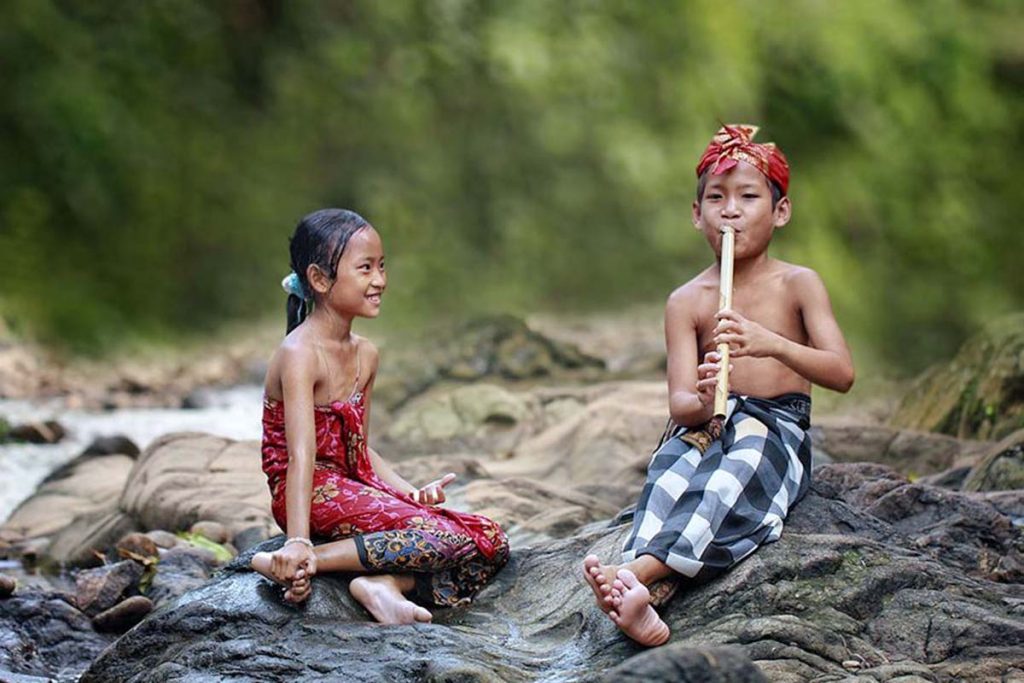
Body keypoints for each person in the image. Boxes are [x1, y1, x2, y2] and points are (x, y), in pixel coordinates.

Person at [582, 125, 854, 646]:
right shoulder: (686, 300)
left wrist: (769, 343)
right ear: (696, 213)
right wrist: (705, 400)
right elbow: (681, 404)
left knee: (734, 478)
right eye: (716, 198)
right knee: (667, 476)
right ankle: (645, 598)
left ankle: (633, 576)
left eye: (749, 197)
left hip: (776, 424)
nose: (731, 210)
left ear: (781, 212)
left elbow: (841, 373)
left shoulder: (798, 284)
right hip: (708, 426)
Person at [251, 208, 509, 624]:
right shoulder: (299, 355)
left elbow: (360, 450)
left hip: (354, 486)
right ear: (319, 280)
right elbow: (302, 457)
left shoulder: (365, 353)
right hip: (306, 492)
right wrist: (297, 537)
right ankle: (302, 558)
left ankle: (383, 584)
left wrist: (411, 494)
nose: (380, 281)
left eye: (382, 266)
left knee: (490, 540)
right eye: (366, 268)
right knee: (440, 538)